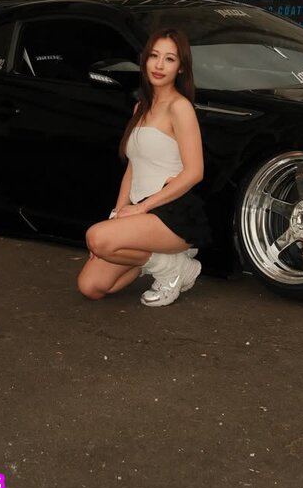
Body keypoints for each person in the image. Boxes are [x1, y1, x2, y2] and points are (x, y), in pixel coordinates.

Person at [77, 27, 210, 307]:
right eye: (154, 56)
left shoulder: (180, 108)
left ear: (181, 68)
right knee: (91, 286)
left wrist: (142, 208)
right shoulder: (141, 107)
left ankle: (172, 269)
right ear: (145, 59)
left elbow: (195, 172)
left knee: (97, 239)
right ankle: (158, 259)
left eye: (169, 59)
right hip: (141, 214)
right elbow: (133, 168)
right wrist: (116, 214)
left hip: (171, 215)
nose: (159, 65)